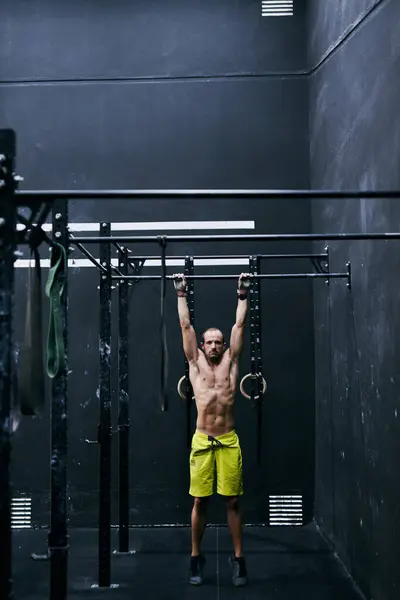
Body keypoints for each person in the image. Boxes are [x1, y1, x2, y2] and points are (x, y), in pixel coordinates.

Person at [172, 272, 251, 587]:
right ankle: (195, 556)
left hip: (229, 441)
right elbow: (185, 326)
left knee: (232, 501)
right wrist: (181, 293)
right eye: (211, 342)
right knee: (200, 501)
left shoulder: (233, 362)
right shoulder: (195, 364)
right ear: (202, 346)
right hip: (203, 441)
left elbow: (240, 326)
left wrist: (242, 294)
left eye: (220, 341)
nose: (216, 345)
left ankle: (239, 558)